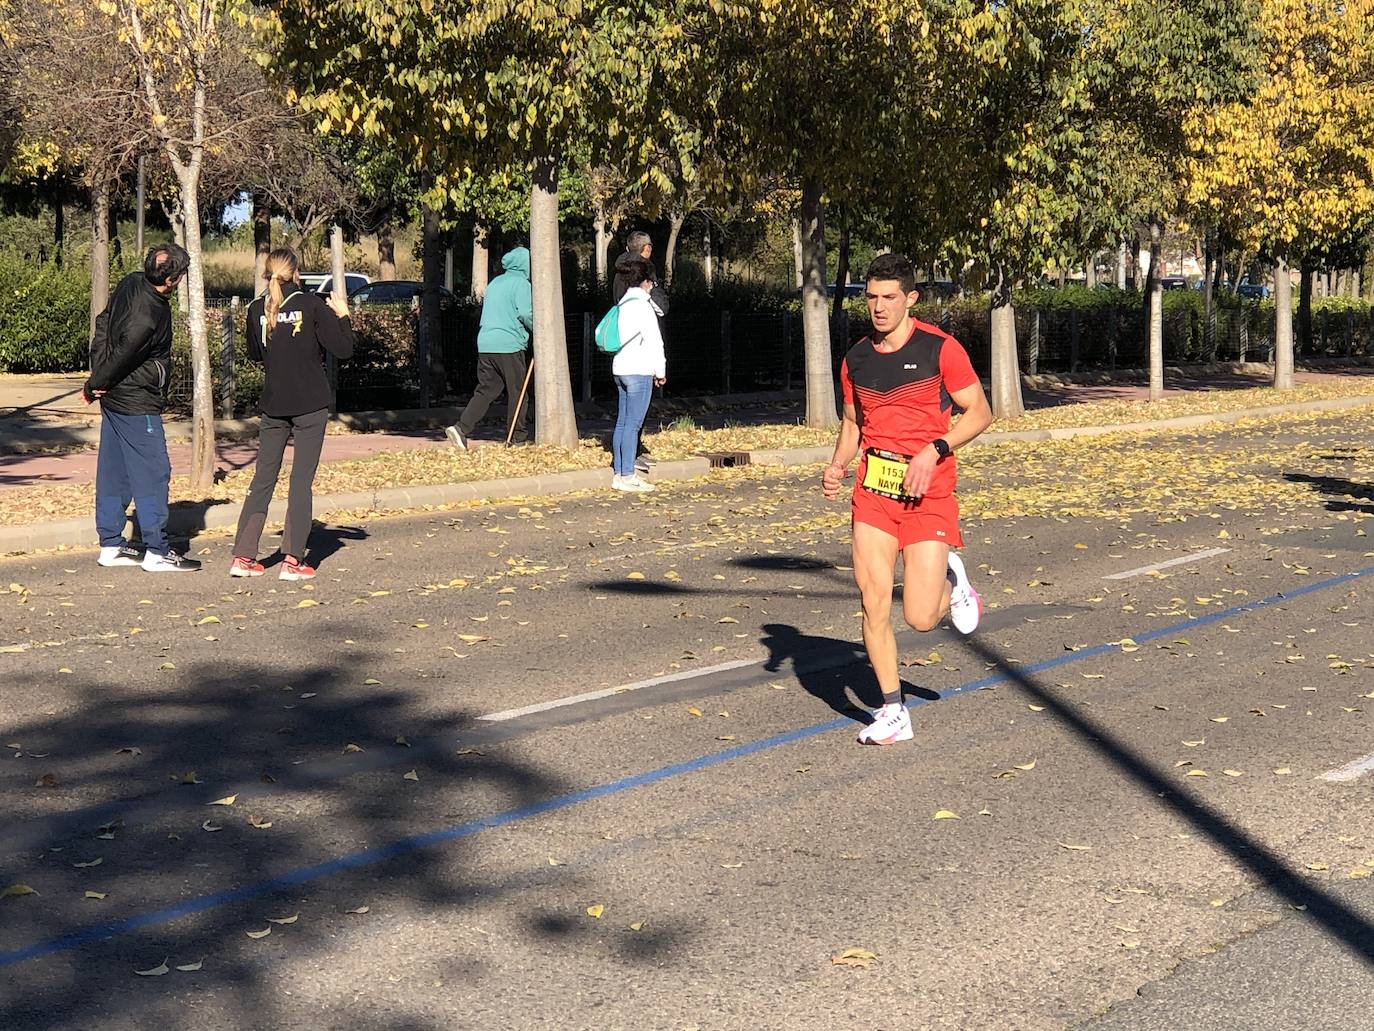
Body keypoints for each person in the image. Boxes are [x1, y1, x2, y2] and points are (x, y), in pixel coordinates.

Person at [822, 253, 994, 746]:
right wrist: (838, 465)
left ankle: (951, 576)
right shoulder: (855, 358)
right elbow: (853, 424)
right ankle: (893, 710)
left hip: (928, 492)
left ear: (910, 298)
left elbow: (980, 412)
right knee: (873, 602)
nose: (878, 307)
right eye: (871, 297)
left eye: (888, 297)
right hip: (874, 493)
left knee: (920, 617)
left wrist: (935, 448)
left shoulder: (940, 349)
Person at [229, 247, 354, 581]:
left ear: (268, 273)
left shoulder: (256, 308)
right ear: (297, 272)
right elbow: (344, 349)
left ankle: (243, 556)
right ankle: (292, 559)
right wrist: (343, 315)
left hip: (273, 404)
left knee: (263, 479)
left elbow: (255, 353)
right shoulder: (312, 305)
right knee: (301, 481)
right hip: (310, 403)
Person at [83, 243, 200, 572]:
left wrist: (99, 371)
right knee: (154, 472)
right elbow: (125, 353)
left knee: (115, 472)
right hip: (137, 401)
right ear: (173, 279)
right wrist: (95, 382)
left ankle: (111, 544)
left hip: (116, 398)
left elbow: (103, 322)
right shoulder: (150, 314)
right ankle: (157, 551)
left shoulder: (130, 281)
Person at [445, 246, 532, 449]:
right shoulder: (521, 284)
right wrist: (539, 329)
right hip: (509, 344)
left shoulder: (495, 283)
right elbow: (526, 313)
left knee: (486, 390)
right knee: (518, 392)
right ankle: (517, 438)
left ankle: (461, 428)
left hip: (485, 344)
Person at [609, 256, 666, 493]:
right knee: (633, 425)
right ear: (645, 282)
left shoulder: (622, 304)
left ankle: (619, 472)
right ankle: (628, 475)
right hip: (639, 370)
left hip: (619, 368)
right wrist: (660, 371)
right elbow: (655, 342)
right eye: (651, 281)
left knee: (622, 423)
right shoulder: (644, 306)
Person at [612, 230, 670, 315]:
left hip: (621, 322)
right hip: (643, 323)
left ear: (627, 249)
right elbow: (662, 308)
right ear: (647, 248)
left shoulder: (619, 269)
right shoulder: (646, 271)